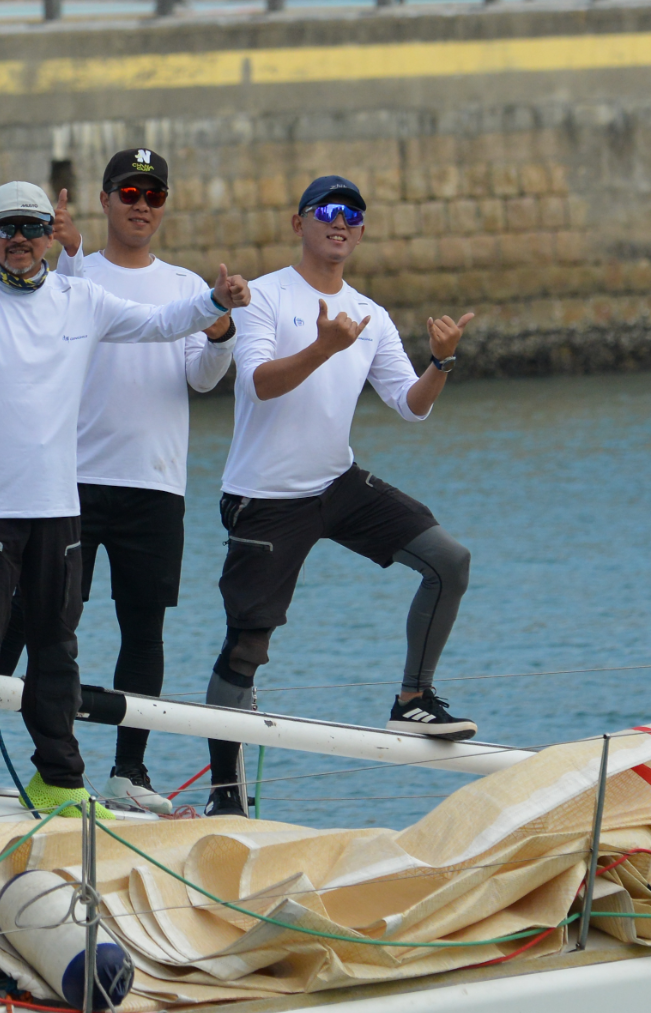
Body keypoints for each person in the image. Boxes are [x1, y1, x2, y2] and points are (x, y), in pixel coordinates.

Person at [0, 181, 253, 822]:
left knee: (56, 648)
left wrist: (214, 302)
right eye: (7, 227)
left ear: (49, 237)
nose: (19, 239)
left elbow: (159, 324)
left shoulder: (83, 298)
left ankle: (60, 779)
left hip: (57, 507)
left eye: (32, 228)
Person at [204, 175, 478, 818]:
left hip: (337, 482)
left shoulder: (370, 314)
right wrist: (324, 349)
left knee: (449, 560)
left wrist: (441, 364)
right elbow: (261, 384)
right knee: (246, 646)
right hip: (264, 496)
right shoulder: (264, 296)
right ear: (297, 222)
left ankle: (412, 700)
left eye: (353, 215)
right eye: (328, 211)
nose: (341, 222)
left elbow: (410, 408)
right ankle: (226, 799)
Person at [37, 146, 235, 814]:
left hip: (155, 483)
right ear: (104, 199)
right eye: (129, 193)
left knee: (143, 631)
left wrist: (221, 334)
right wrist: (65, 255)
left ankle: (129, 769)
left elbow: (201, 380)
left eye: (153, 196)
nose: (141, 206)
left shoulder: (185, 285)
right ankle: (57, 766)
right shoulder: (74, 274)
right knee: (56, 623)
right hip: (75, 479)